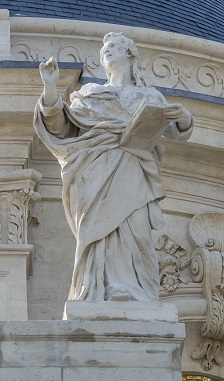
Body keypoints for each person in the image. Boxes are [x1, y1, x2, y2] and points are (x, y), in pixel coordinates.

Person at [34, 32, 193, 302]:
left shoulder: (149, 96)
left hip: (133, 171)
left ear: (130, 53)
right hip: (96, 173)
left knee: (136, 232)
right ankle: (105, 286)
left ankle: (134, 288)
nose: (106, 51)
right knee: (102, 232)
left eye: (113, 46)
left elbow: (175, 131)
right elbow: (63, 129)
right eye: (104, 49)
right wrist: (50, 91)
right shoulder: (91, 95)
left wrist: (185, 119)